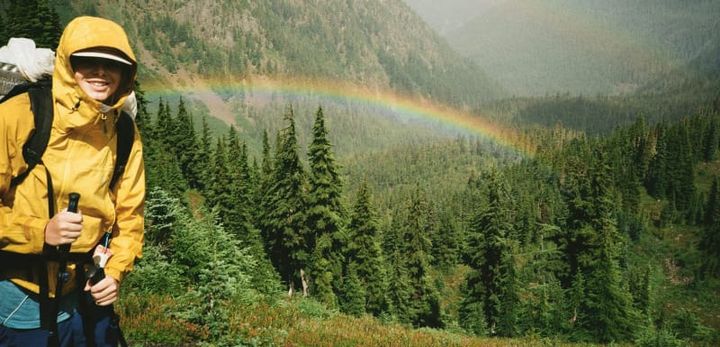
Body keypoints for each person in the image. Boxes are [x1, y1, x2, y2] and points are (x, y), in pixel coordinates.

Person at [0, 16, 145, 346]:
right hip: (17, 299)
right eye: (87, 61)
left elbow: (130, 217)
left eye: (113, 64)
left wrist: (115, 272)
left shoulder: (123, 132)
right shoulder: (24, 113)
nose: (100, 72)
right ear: (67, 63)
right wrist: (41, 233)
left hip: (85, 296)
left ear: (125, 74)